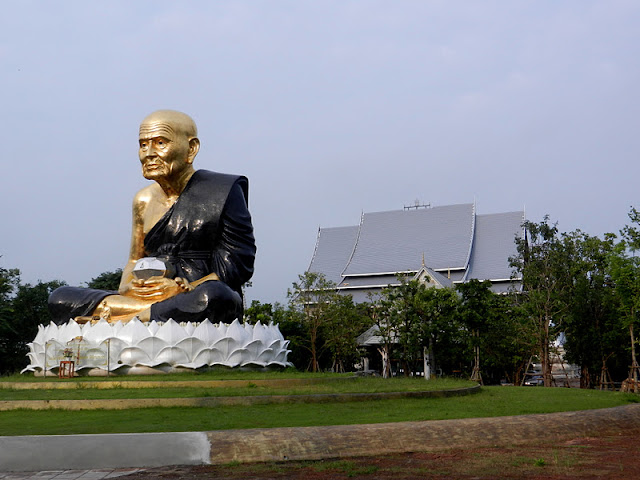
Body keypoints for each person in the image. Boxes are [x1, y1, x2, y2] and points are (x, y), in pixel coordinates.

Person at [48, 110, 256, 324]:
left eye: (160, 143)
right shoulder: (144, 200)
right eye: (143, 145)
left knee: (215, 296)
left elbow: (237, 265)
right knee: (61, 297)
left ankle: (120, 318)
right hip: (148, 294)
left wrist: (181, 288)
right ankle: (144, 315)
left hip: (194, 293)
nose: (148, 154)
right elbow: (134, 260)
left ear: (191, 148)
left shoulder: (221, 191)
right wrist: (128, 287)